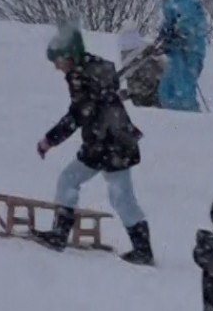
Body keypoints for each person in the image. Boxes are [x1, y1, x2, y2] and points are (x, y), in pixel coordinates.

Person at [35, 24, 155, 266]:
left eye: (58, 60)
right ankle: (60, 234)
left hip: (112, 144)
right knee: (78, 182)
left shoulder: (83, 76)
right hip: (105, 143)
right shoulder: (90, 70)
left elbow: (77, 115)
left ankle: (143, 250)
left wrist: (50, 140)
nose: (56, 66)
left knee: (119, 196)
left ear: (70, 55)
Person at [153, 0, 208, 112]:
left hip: (188, 51)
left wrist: (177, 34)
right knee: (168, 84)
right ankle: (170, 111)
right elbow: (169, 22)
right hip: (175, 50)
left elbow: (188, 22)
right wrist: (163, 35)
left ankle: (187, 115)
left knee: (182, 86)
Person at [118, 29, 164, 108]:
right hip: (145, 105)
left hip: (154, 108)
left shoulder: (146, 64)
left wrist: (124, 95)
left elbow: (145, 91)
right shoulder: (137, 64)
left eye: (125, 52)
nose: (123, 55)